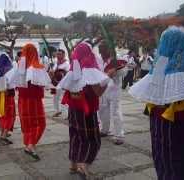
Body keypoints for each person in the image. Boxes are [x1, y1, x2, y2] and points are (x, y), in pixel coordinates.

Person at [128, 26, 184, 180]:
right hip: (177, 121)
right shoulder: (180, 68)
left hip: (160, 122)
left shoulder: (159, 66)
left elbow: (153, 95)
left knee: (164, 157)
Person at [57, 42, 115, 178]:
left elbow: (67, 88)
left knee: (75, 136)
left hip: (73, 109)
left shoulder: (73, 70)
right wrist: (109, 77)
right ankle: (83, 165)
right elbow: (98, 92)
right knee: (92, 139)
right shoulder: (89, 70)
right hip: (86, 111)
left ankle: (73, 164)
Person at [13, 43, 51, 160]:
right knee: (40, 124)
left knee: (28, 125)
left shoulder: (19, 66)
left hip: (22, 101)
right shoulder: (37, 67)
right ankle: (30, 145)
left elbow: (15, 84)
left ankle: (30, 144)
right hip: (34, 101)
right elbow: (46, 85)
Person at [97, 40, 126, 145]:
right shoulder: (99, 59)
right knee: (102, 110)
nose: (101, 53)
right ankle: (104, 130)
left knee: (116, 111)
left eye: (103, 50)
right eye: (100, 50)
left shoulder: (117, 58)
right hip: (103, 88)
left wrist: (116, 71)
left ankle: (119, 135)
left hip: (114, 89)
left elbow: (124, 71)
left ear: (109, 49)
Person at [49, 49, 70, 118]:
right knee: (55, 98)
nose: (58, 55)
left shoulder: (66, 64)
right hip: (56, 83)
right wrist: (51, 72)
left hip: (63, 83)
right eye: (57, 54)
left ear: (63, 55)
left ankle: (67, 114)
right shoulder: (56, 63)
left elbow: (67, 74)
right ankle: (57, 111)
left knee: (63, 98)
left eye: (60, 54)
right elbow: (53, 72)